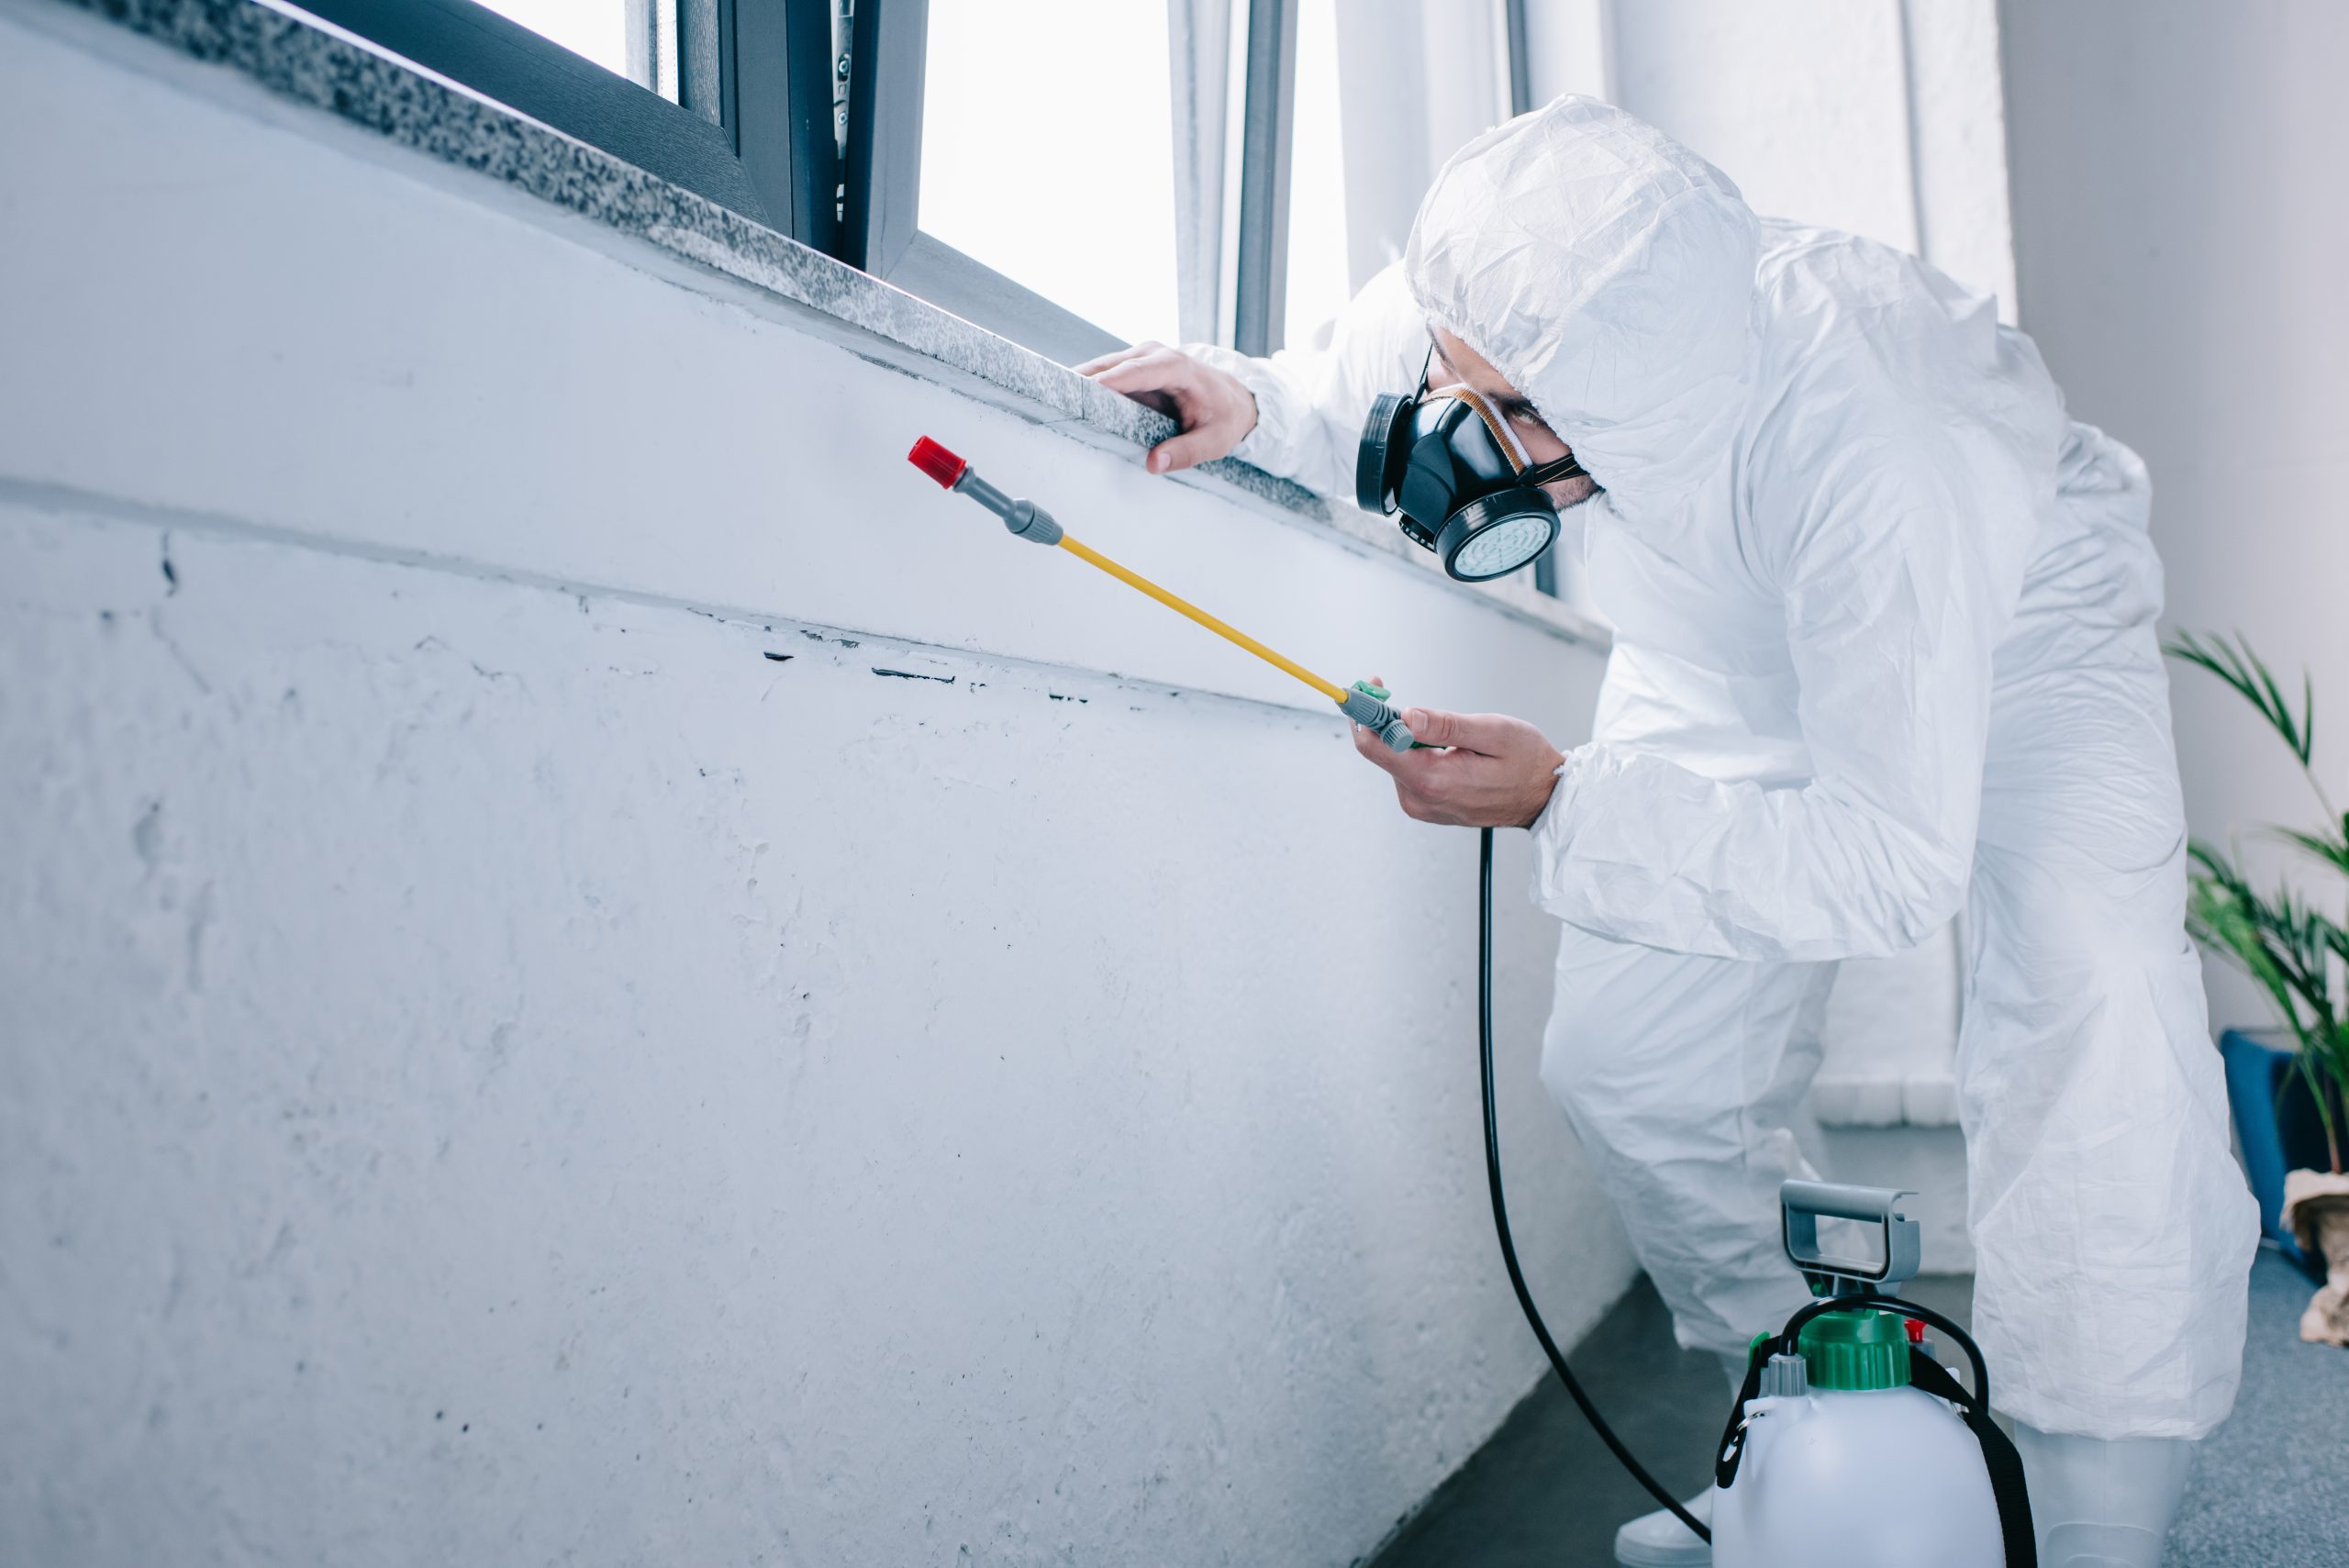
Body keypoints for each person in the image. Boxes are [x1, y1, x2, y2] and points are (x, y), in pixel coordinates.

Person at [1081, 97, 2254, 1568]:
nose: (1471, 435)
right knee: (1634, 1065)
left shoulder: (1876, 447)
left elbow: (1892, 866)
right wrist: (1257, 396)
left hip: (2021, 623)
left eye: (1511, 419)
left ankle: (2098, 1517)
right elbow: (1381, 364)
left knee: (2092, 1011)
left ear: (1638, 412)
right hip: (1717, 646)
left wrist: (1568, 799)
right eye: (1473, 387)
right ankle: (1799, 1445)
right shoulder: (1533, 295)